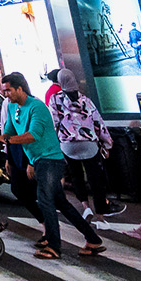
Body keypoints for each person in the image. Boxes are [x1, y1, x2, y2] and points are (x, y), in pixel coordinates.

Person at [0, 71, 103, 259]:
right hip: (37, 159)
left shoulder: (36, 107)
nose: (5, 94)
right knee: (61, 203)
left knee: (45, 200)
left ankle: (54, 246)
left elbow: (33, 135)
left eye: (8, 90)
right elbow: (10, 129)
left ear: (20, 89)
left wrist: (9, 140)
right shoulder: (13, 107)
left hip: (50, 160)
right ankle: (93, 239)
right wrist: (2, 138)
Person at [49, 70, 118, 215]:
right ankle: (101, 212)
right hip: (88, 144)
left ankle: (86, 207)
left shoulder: (55, 99)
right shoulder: (86, 100)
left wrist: (56, 142)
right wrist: (107, 144)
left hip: (68, 145)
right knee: (95, 177)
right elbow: (98, 123)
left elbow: (54, 123)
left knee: (76, 176)